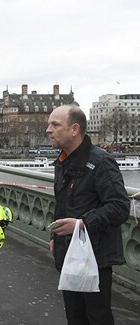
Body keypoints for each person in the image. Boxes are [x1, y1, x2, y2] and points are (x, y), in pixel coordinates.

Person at [46, 104, 129, 325]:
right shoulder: (63, 161)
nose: (48, 129)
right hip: (70, 253)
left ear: (74, 129)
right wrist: (55, 236)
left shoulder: (101, 162)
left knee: (97, 317)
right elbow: (63, 204)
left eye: (55, 124)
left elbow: (120, 207)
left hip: (95, 256)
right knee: (75, 317)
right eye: (49, 124)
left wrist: (82, 224)